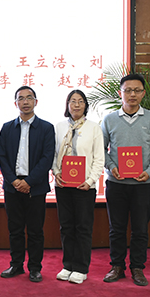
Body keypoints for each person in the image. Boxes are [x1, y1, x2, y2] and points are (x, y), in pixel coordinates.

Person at [101, 73, 150, 286]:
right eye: (128, 90)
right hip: (116, 183)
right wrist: (112, 167)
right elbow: (101, 149)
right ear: (120, 93)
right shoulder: (109, 119)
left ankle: (137, 268)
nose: (132, 94)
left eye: (137, 90)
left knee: (140, 229)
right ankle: (117, 266)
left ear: (143, 93)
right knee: (116, 228)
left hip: (143, 184)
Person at [0, 86, 55, 282]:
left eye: (29, 98)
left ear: (36, 102)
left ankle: (35, 268)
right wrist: (14, 181)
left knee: (35, 230)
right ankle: (16, 265)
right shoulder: (7, 128)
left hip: (35, 188)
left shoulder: (46, 128)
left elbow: (47, 158)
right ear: (16, 103)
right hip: (12, 187)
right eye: (21, 98)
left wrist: (29, 181)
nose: (25, 102)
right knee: (15, 229)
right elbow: (2, 157)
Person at [52, 90, 104, 284]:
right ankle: (68, 265)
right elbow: (53, 154)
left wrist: (90, 181)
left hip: (85, 187)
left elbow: (99, 158)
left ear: (85, 105)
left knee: (83, 227)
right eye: (72, 101)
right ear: (67, 105)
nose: (76, 105)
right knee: (66, 227)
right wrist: (56, 172)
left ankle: (81, 268)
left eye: (80, 101)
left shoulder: (94, 128)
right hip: (63, 185)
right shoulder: (59, 127)